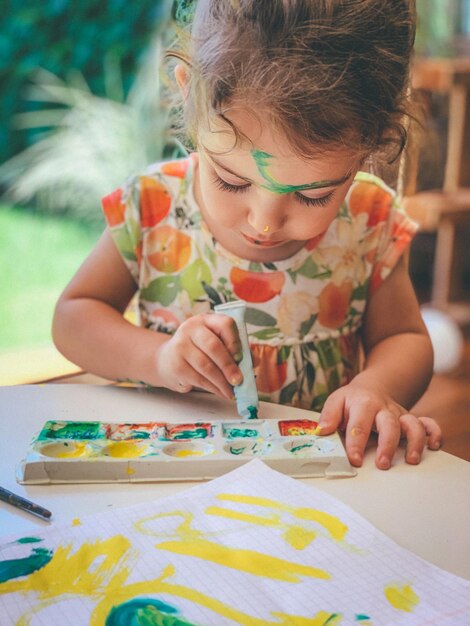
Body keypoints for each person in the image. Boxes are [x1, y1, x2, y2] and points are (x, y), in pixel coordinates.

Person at [52, 0, 442, 470]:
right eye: (232, 181)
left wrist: (376, 389)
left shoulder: (367, 220)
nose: (264, 222)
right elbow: (74, 319)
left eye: (313, 195)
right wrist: (158, 358)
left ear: (369, 147)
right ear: (187, 95)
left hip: (310, 481)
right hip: (172, 471)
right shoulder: (154, 206)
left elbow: (404, 337)